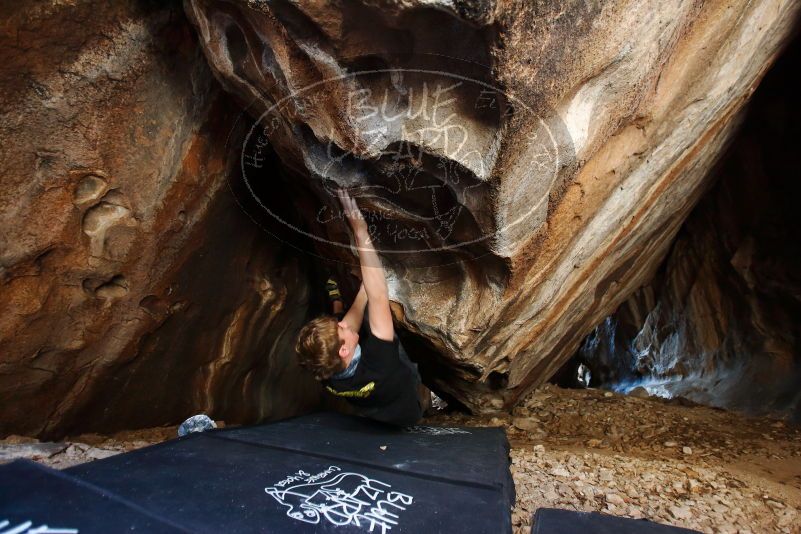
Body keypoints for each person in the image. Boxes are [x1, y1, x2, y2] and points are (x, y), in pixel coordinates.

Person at [294, 188, 424, 427]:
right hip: (407, 407)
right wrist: (360, 231)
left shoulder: (324, 371)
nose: (344, 324)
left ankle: (341, 297)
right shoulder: (380, 362)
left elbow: (359, 309)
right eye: (340, 329)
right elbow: (380, 296)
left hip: (374, 409)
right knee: (390, 337)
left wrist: (365, 287)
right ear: (343, 351)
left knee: (352, 317)